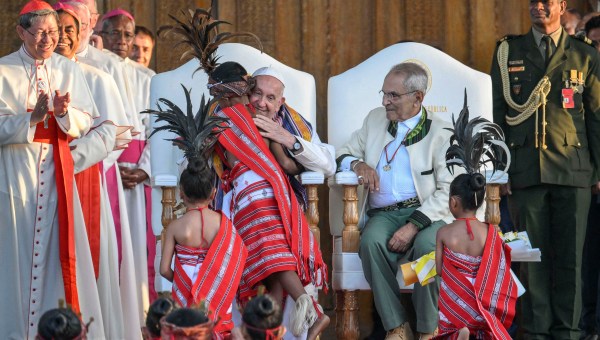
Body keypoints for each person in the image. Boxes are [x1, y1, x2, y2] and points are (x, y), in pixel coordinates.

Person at [490, 1, 600, 338]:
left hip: (574, 169)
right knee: (531, 260)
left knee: (572, 260)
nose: (538, 7)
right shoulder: (508, 52)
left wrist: (598, 172)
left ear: (561, 6)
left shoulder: (585, 55)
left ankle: (568, 332)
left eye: (546, 1)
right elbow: (497, 115)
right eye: (533, 2)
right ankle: (535, 332)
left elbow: (595, 117)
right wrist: (501, 170)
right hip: (526, 170)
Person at [0, 1, 107, 337]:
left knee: (56, 258)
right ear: (21, 31)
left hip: (57, 176)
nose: (48, 39)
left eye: (54, 32)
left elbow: (87, 119)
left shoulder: (68, 68)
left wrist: (63, 114)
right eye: (40, 32)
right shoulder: (3, 71)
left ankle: (58, 329)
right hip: (15, 177)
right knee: (14, 257)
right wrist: (30, 118)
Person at [336, 62, 455, 339]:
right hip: (384, 214)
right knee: (371, 242)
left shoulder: (441, 132)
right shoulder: (375, 119)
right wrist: (357, 165)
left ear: (418, 98)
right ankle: (396, 326)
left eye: (393, 96)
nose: (384, 101)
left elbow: (448, 189)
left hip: (427, 215)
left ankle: (428, 328)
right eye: (384, 93)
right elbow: (342, 153)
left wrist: (413, 226)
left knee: (428, 248)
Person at [154, 95, 248, 338]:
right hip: (218, 301)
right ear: (214, 192)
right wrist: (212, 284)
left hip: (185, 301)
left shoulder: (175, 227)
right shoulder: (224, 224)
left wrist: (185, 284)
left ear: (182, 194)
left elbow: (164, 269)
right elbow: (236, 263)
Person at [433, 96, 517, 340]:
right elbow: (498, 270)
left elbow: (440, 270)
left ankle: (460, 330)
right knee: (482, 315)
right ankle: (474, 328)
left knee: (452, 307)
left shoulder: (444, 233)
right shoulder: (490, 232)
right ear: (479, 201)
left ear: (453, 202)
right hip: (481, 308)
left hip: (454, 308)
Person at [100, 8, 157, 320]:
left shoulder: (147, 77)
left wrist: (143, 169)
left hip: (137, 177)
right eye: (115, 33)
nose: (122, 41)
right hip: (104, 170)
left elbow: (157, 130)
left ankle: (140, 320)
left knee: (138, 251)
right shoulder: (91, 69)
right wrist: (109, 165)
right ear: (102, 35)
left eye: (127, 34)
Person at [250, 67, 336, 208]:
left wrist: (288, 139)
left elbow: (329, 167)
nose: (261, 103)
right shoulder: (228, 113)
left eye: (270, 98)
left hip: (279, 200)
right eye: (257, 93)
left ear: (279, 103)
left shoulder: (295, 125)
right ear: (248, 92)